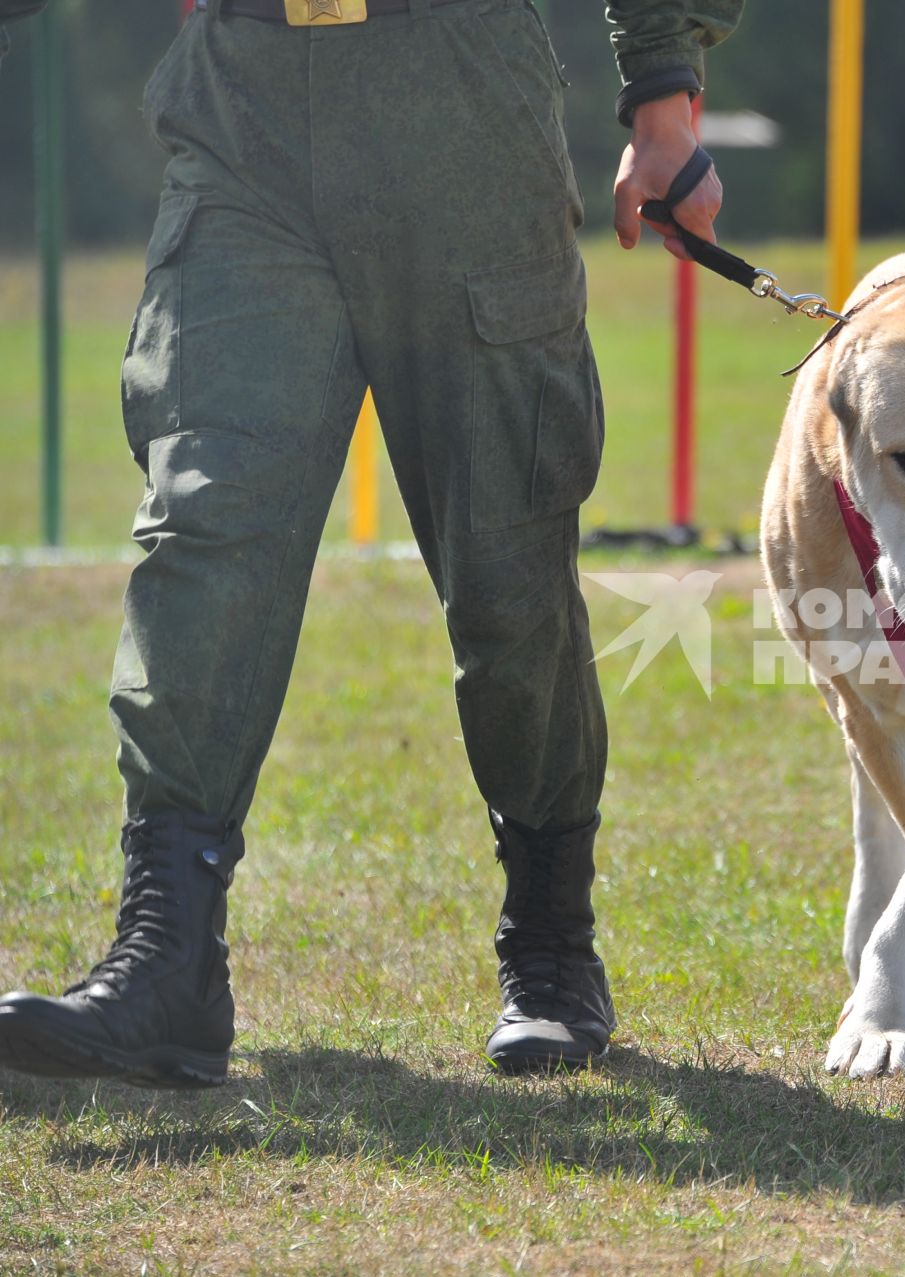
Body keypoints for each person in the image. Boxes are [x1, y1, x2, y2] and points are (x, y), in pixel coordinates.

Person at [0, 0, 741, 1087]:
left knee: (506, 567)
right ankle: (168, 957)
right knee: (209, 517)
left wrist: (664, 89)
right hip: (243, 107)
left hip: (459, 102)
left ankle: (549, 944)